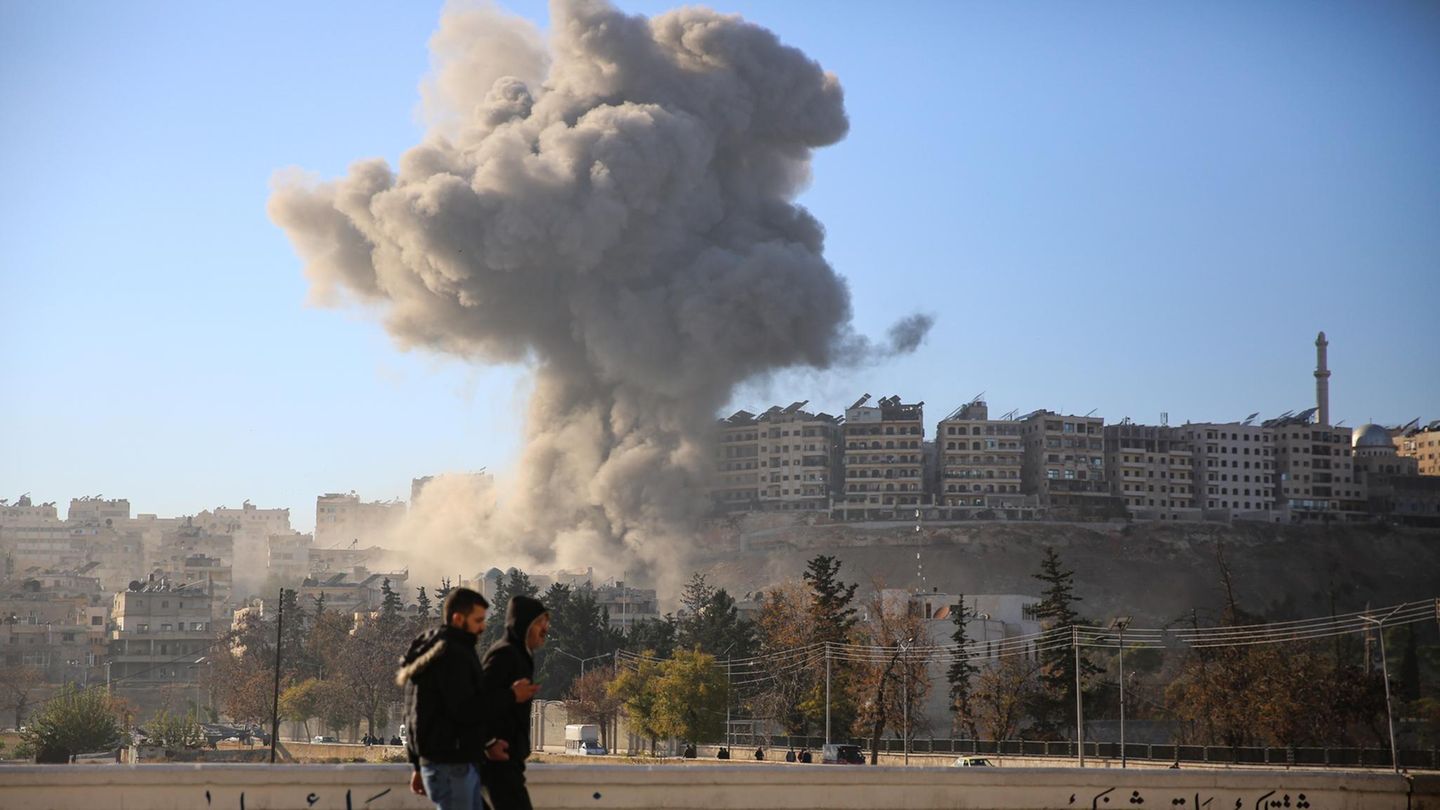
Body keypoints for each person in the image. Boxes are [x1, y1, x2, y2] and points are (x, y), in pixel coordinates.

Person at [396, 587, 509, 810]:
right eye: (478, 620)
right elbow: (465, 709)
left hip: (441, 764)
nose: (483, 627)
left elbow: (415, 714)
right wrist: (510, 696)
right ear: (458, 619)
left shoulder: (432, 649)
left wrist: (419, 764)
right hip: (453, 764)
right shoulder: (453, 654)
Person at [480, 595, 548, 810]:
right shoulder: (504, 654)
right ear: (524, 624)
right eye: (539, 622)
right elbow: (479, 703)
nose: (546, 628)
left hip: (511, 761)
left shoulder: (521, 655)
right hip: (499, 761)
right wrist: (489, 742)